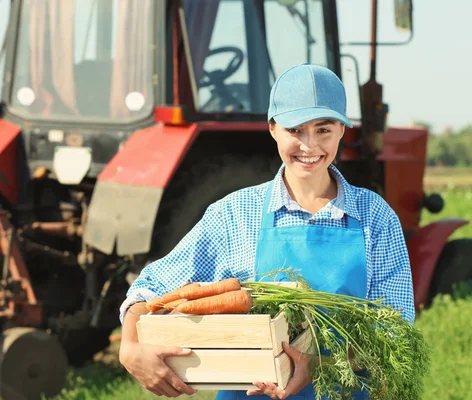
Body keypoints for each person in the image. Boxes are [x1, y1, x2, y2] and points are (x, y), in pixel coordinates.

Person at [118, 63, 415, 400]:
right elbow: (151, 287)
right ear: (273, 128)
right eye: (295, 130)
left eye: (323, 129)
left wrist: (317, 364)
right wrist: (129, 347)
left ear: (342, 131)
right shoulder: (235, 214)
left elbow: (395, 332)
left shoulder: (374, 218)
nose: (309, 146)